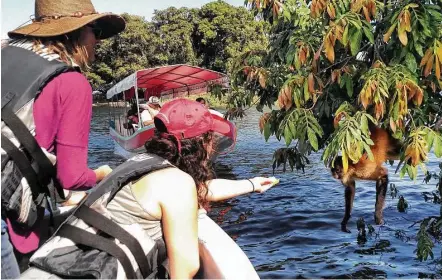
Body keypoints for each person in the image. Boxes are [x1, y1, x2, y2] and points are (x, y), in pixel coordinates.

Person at [25, 99, 279, 279]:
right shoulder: (177, 183)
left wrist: (253, 185)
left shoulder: (138, 164)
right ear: (202, 143)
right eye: (210, 140)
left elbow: (202, 190)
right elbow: (186, 269)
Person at [1, 0, 125, 278]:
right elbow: (72, 177)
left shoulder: (3, 53)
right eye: (96, 31)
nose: (99, 40)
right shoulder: (72, 82)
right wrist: (102, 173)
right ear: (75, 33)